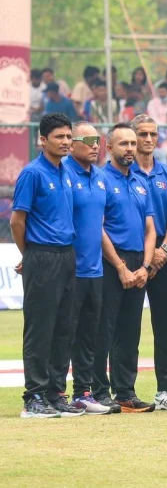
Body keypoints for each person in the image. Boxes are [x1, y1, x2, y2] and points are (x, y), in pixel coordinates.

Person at [12, 114, 80, 418]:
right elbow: (17, 221)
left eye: (68, 137)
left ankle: (55, 393)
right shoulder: (32, 173)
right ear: (43, 140)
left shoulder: (65, 171)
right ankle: (34, 397)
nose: (66, 142)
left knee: (63, 329)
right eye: (59, 137)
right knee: (40, 329)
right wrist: (30, 255)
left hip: (67, 255)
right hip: (42, 255)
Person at [91, 123, 157, 412]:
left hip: (138, 263)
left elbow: (150, 228)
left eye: (133, 143)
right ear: (109, 147)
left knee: (130, 332)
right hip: (109, 262)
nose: (130, 148)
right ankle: (98, 391)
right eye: (124, 143)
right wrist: (119, 266)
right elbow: (98, 228)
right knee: (103, 330)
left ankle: (125, 392)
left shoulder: (141, 182)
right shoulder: (100, 180)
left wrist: (145, 266)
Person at [52, 123, 110, 414]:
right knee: (65, 333)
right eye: (88, 140)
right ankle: (56, 393)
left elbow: (101, 225)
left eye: (98, 140)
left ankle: (83, 393)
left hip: (95, 270)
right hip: (68, 269)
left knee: (89, 334)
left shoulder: (100, 178)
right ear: (72, 144)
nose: (95, 145)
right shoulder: (63, 175)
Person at [130, 115, 167, 411]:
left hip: (164, 256)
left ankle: (164, 390)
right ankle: (124, 390)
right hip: (133, 256)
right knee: (127, 326)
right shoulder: (124, 173)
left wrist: (164, 248)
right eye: (142, 134)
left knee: (164, 326)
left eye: (153, 133)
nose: (148, 139)